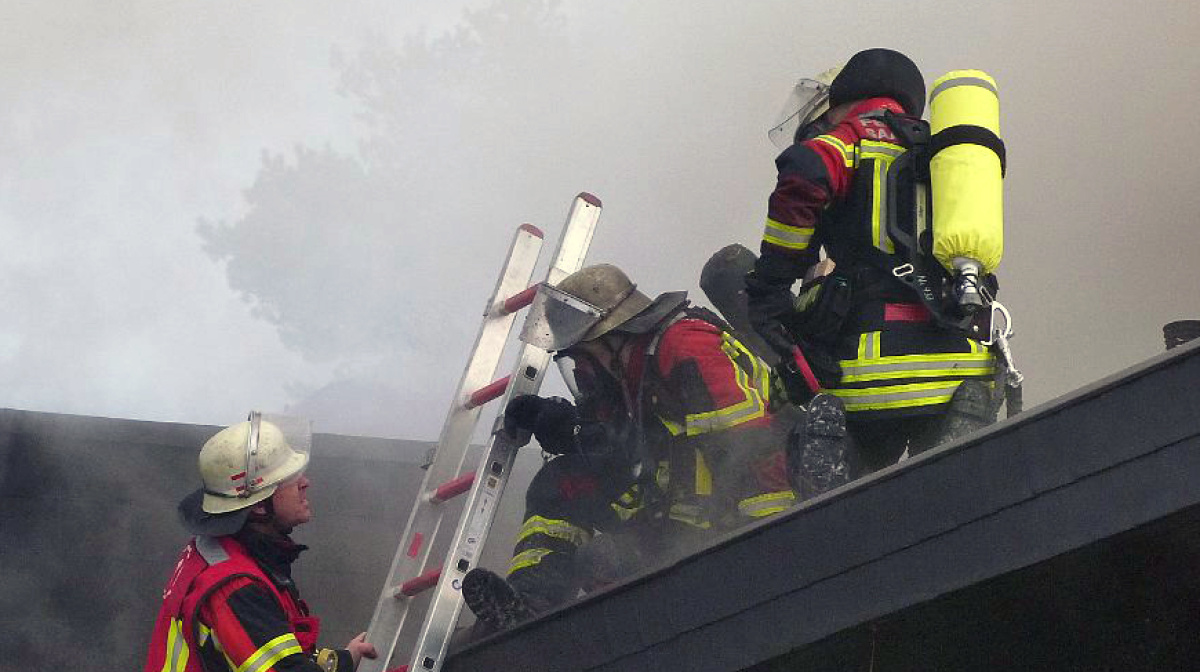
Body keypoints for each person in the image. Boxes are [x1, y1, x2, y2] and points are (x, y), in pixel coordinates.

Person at [461, 263, 794, 630]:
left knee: (603, 560)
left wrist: (765, 543)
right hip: (676, 506)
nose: (584, 371)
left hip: (731, 519)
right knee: (561, 482)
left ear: (613, 335)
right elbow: (614, 443)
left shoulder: (685, 348)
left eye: (585, 356)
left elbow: (750, 446)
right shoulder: (628, 369)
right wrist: (555, 422)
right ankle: (528, 605)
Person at [745, 48, 999, 487]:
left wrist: (772, 283)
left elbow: (803, 176)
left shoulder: (844, 142)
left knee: (852, 504)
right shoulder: (949, 153)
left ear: (843, 96)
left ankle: (835, 454)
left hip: (866, 371)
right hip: (960, 365)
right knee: (950, 498)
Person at [144, 413, 377, 672]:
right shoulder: (236, 587)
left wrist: (342, 661)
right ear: (258, 507)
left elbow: (273, 653)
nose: (305, 483)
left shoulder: (221, 553)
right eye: (290, 479)